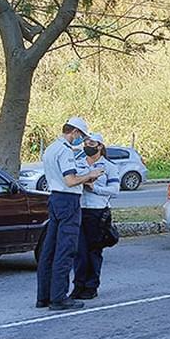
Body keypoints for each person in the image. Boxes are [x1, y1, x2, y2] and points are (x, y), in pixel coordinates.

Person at [37, 117, 103, 311]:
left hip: (55, 199)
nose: (81, 140)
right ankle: (59, 297)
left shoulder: (50, 149)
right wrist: (90, 176)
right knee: (66, 250)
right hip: (68, 201)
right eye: (81, 136)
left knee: (49, 250)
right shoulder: (66, 151)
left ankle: (44, 296)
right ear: (73, 132)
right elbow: (71, 180)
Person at [72, 133, 119, 300]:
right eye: (86, 142)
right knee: (79, 251)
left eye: (91, 143)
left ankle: (91, 286)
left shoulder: (108, 167)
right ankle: (78, 285)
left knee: (93, 250)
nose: (87, 145)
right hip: (80, 209)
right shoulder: (78, 164)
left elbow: (114, 190)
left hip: (97, 212)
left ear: (99, 146)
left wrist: (95, 188)